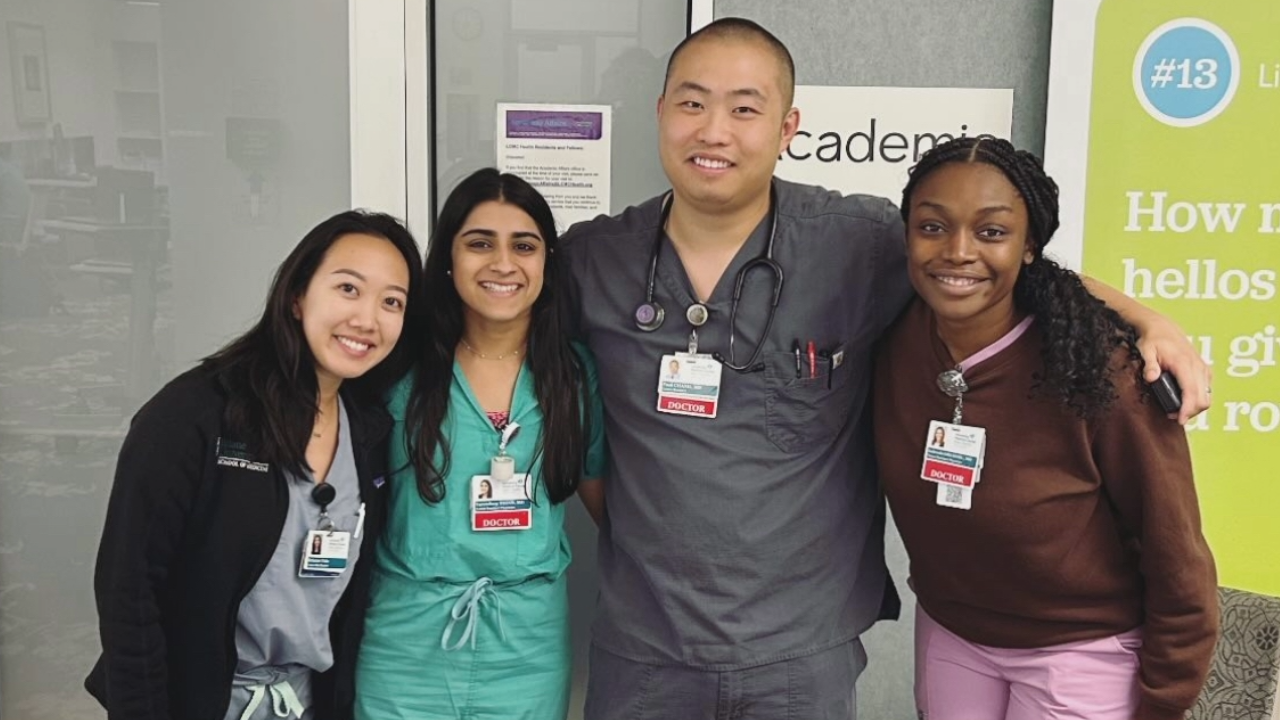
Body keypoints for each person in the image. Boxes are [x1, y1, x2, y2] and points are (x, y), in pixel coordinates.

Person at [561, 18, 1213, 719]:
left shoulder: (859, 243)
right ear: (661, 114)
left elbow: (996, 270)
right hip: (645, 647)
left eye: (745, 108)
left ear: (788, 128)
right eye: (692, 103)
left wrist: (1146, 318)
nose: (714, 130)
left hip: (801, 650)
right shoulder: (590, 259)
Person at [874, 136, 1217, 720]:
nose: (957, 252)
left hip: (1081, 650)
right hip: (954, 632)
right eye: (932, 227)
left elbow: (1177, 558)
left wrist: (1164, 702)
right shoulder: (892, 327)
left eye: (992, 232)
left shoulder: (1100, 370)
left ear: (1030, 244)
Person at [86, 211, 425, 720]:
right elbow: (128, 592)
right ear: (296, 296)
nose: (367, 319)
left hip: (304, 703)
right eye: (349, 289)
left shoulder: (371, 430)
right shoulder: (194, 415)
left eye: (391, 302)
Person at [355, 169, 606, 720]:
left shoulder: (571, 374)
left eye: (524, 245)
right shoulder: (398, 365)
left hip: (527, 646)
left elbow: (611, 511)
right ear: (449, 258)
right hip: (405, 641)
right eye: (479, 244)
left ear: (546, 263)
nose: (502, 263)